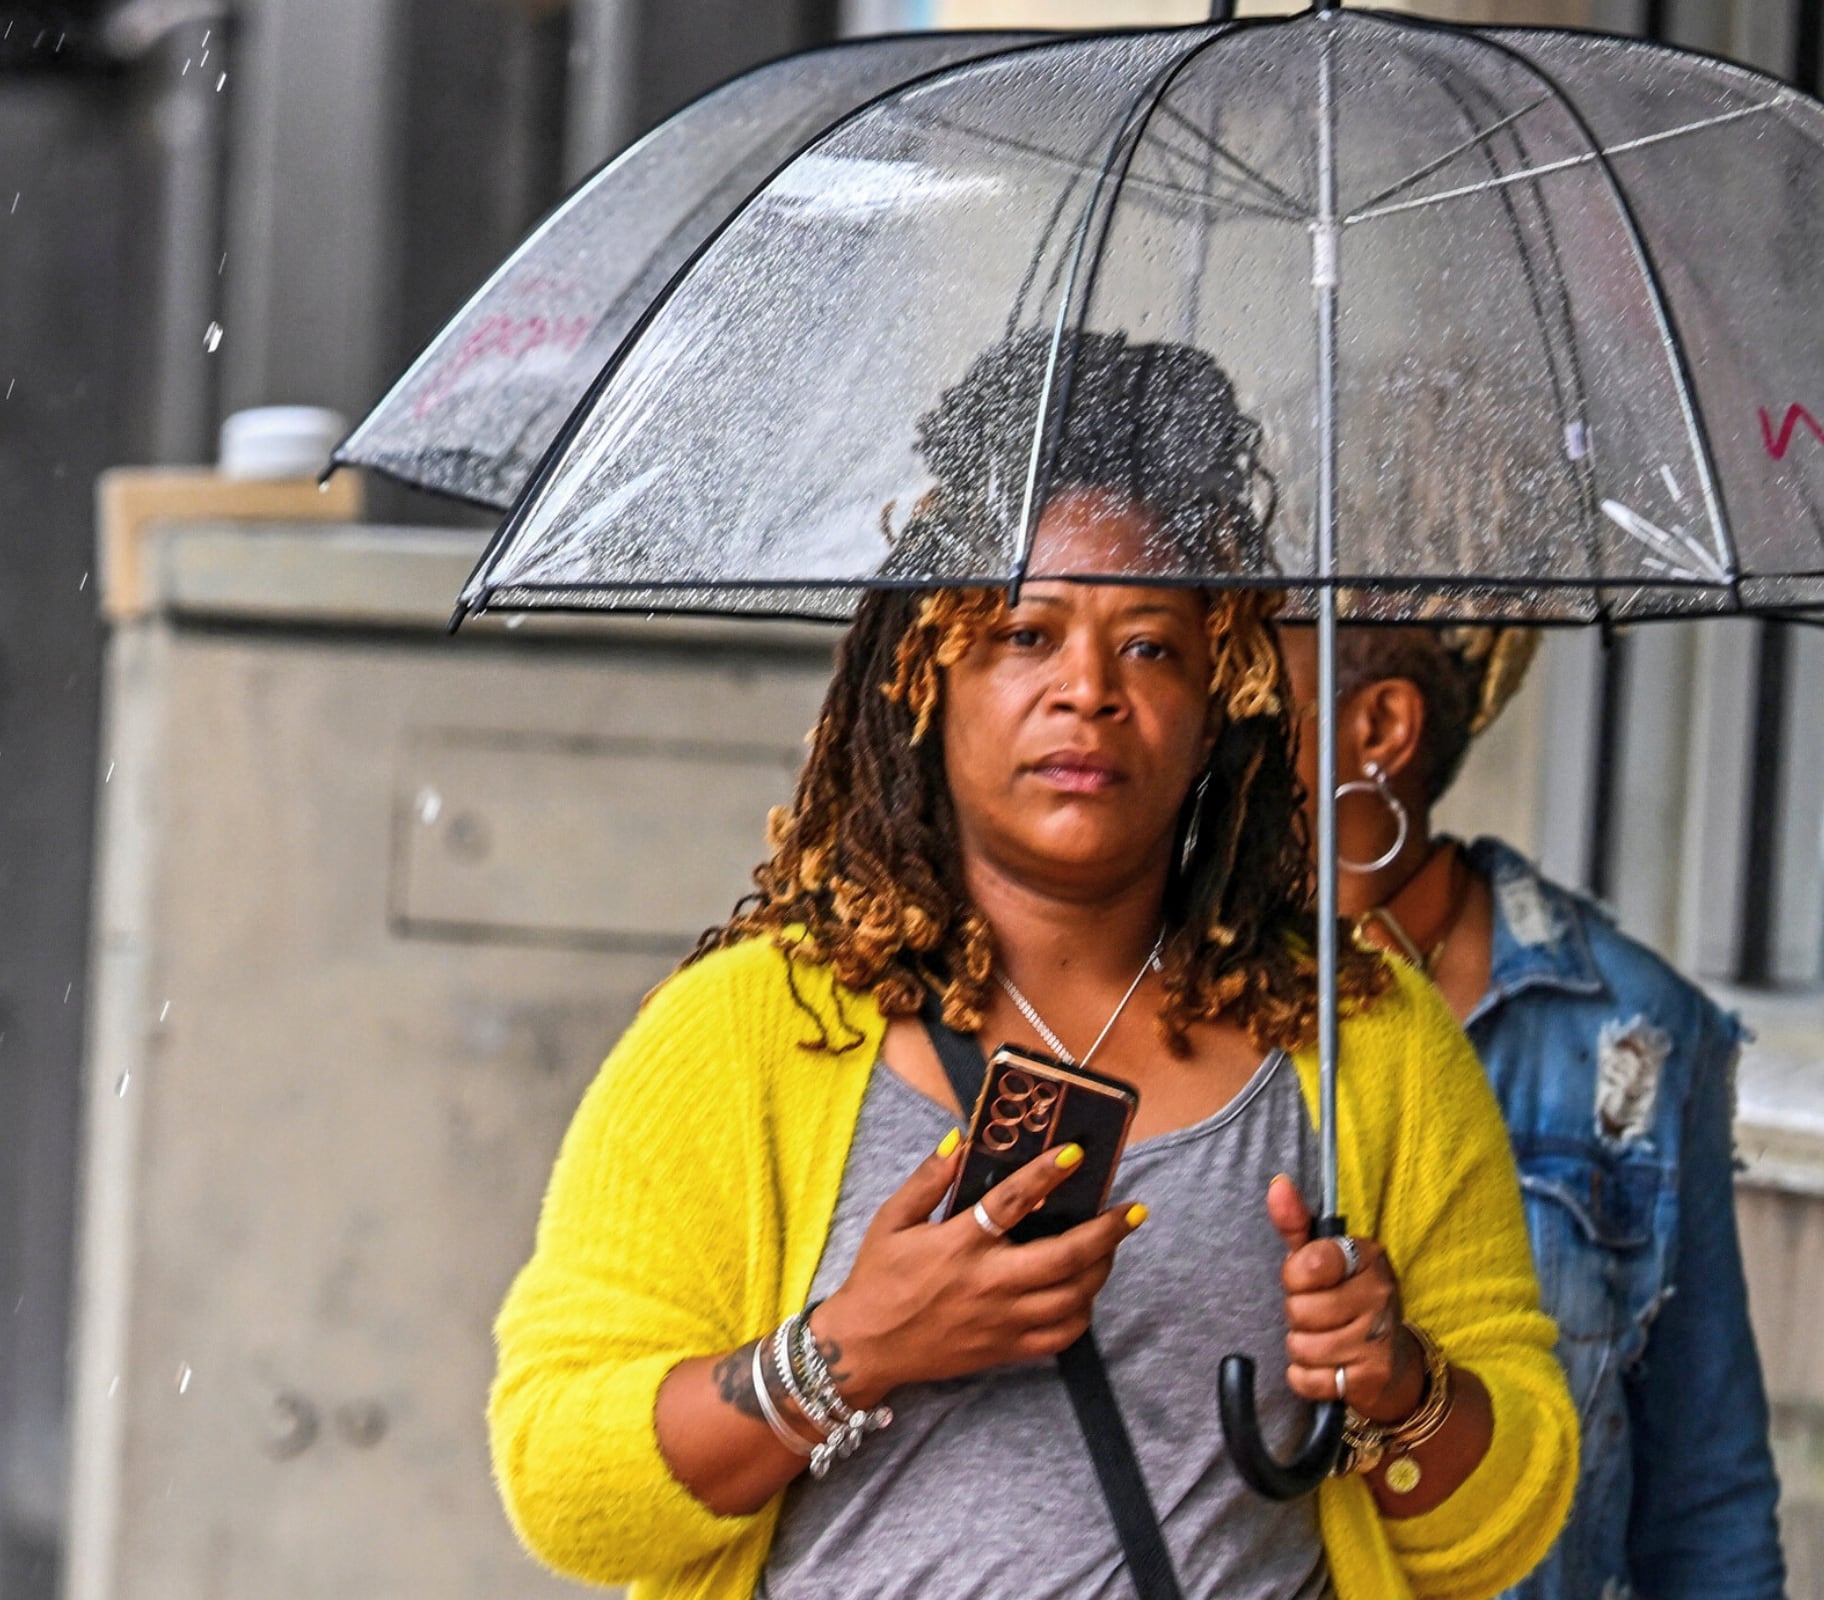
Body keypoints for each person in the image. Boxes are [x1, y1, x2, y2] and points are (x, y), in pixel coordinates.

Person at [489, 331, 1576, 1600]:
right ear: (926, 674)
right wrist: (852, 1348)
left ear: (1223, 689)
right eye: (1025, 633)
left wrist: (1402, 1386)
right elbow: (563, 1478)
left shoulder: (1363, 1039)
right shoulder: (746, 1033)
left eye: (1152, 645)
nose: (1089, 692)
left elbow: (1510, 1520)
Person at [1278, 624, 1787, 1600]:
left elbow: (1703, 1494)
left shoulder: (1634, 1033)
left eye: (1256, 686)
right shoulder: (1159, 1009)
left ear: (1379, 724)